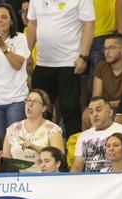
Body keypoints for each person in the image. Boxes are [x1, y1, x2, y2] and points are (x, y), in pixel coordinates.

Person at [26, 0, 94, 138]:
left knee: (70, 109)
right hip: (43, 62)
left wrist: (84, 56)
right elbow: (32, 24)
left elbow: (89, 24)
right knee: (40, 110)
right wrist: (27, 52)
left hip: (69, 62)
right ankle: (40, 148)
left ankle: (73, 152)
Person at [0, 3, 29, 141]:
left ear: (11, 20)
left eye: (4, 17)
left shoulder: (19, 38)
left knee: (15, 142)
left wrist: (3, 46)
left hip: (17, 100)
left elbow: (18, 65)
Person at [3, 89, 64, 172]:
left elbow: (59, 157)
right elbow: (6, 161)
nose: (30, 104)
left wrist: (34, 147)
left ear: (44, 108)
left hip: (43, 179)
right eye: (28, 100)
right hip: (18, 180)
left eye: (35, 102)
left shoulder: (53, 129)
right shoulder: (13, 129)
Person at [71, 97, 122, 173]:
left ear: (110, 112)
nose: (94, 114)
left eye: (98, 110)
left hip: (115, 180)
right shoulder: (83, 136)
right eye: (91, 112)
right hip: (89, 181)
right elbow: (77, 166)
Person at [92, 33, 122, 111]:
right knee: (86, 115)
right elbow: (96, 100)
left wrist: (109, 104)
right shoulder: (101, 67)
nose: (107, 52)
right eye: (105, 48)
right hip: (107, 109)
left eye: (111, 48)